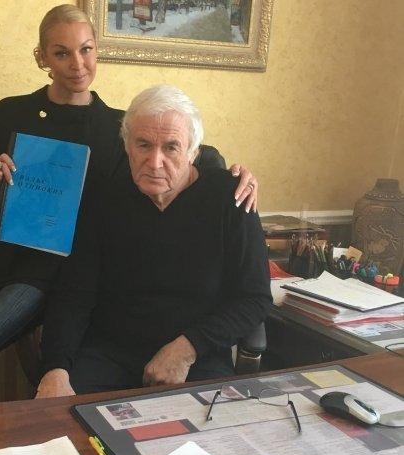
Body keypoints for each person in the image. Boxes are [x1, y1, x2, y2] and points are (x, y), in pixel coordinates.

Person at [0, 4, 260, 406]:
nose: (77, 64)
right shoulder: (12, 113)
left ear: (98, 50)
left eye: (86, 50)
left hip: (58, 268)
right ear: (42, 57)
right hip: (15, 258)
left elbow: (185, 152)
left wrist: (238, 176)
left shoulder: (115, 125)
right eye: (62, 52)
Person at [36, 84, 272, 398]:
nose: (155, 161)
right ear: (127, 146)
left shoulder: (232, 198)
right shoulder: (102, 199)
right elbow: (73, 294)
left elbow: (254, 298)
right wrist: (55, 369)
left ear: (193, 153)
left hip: (197, 354)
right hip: (109, 354)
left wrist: (187, 348)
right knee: (65, 419)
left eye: (171, 147)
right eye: (143, 144)